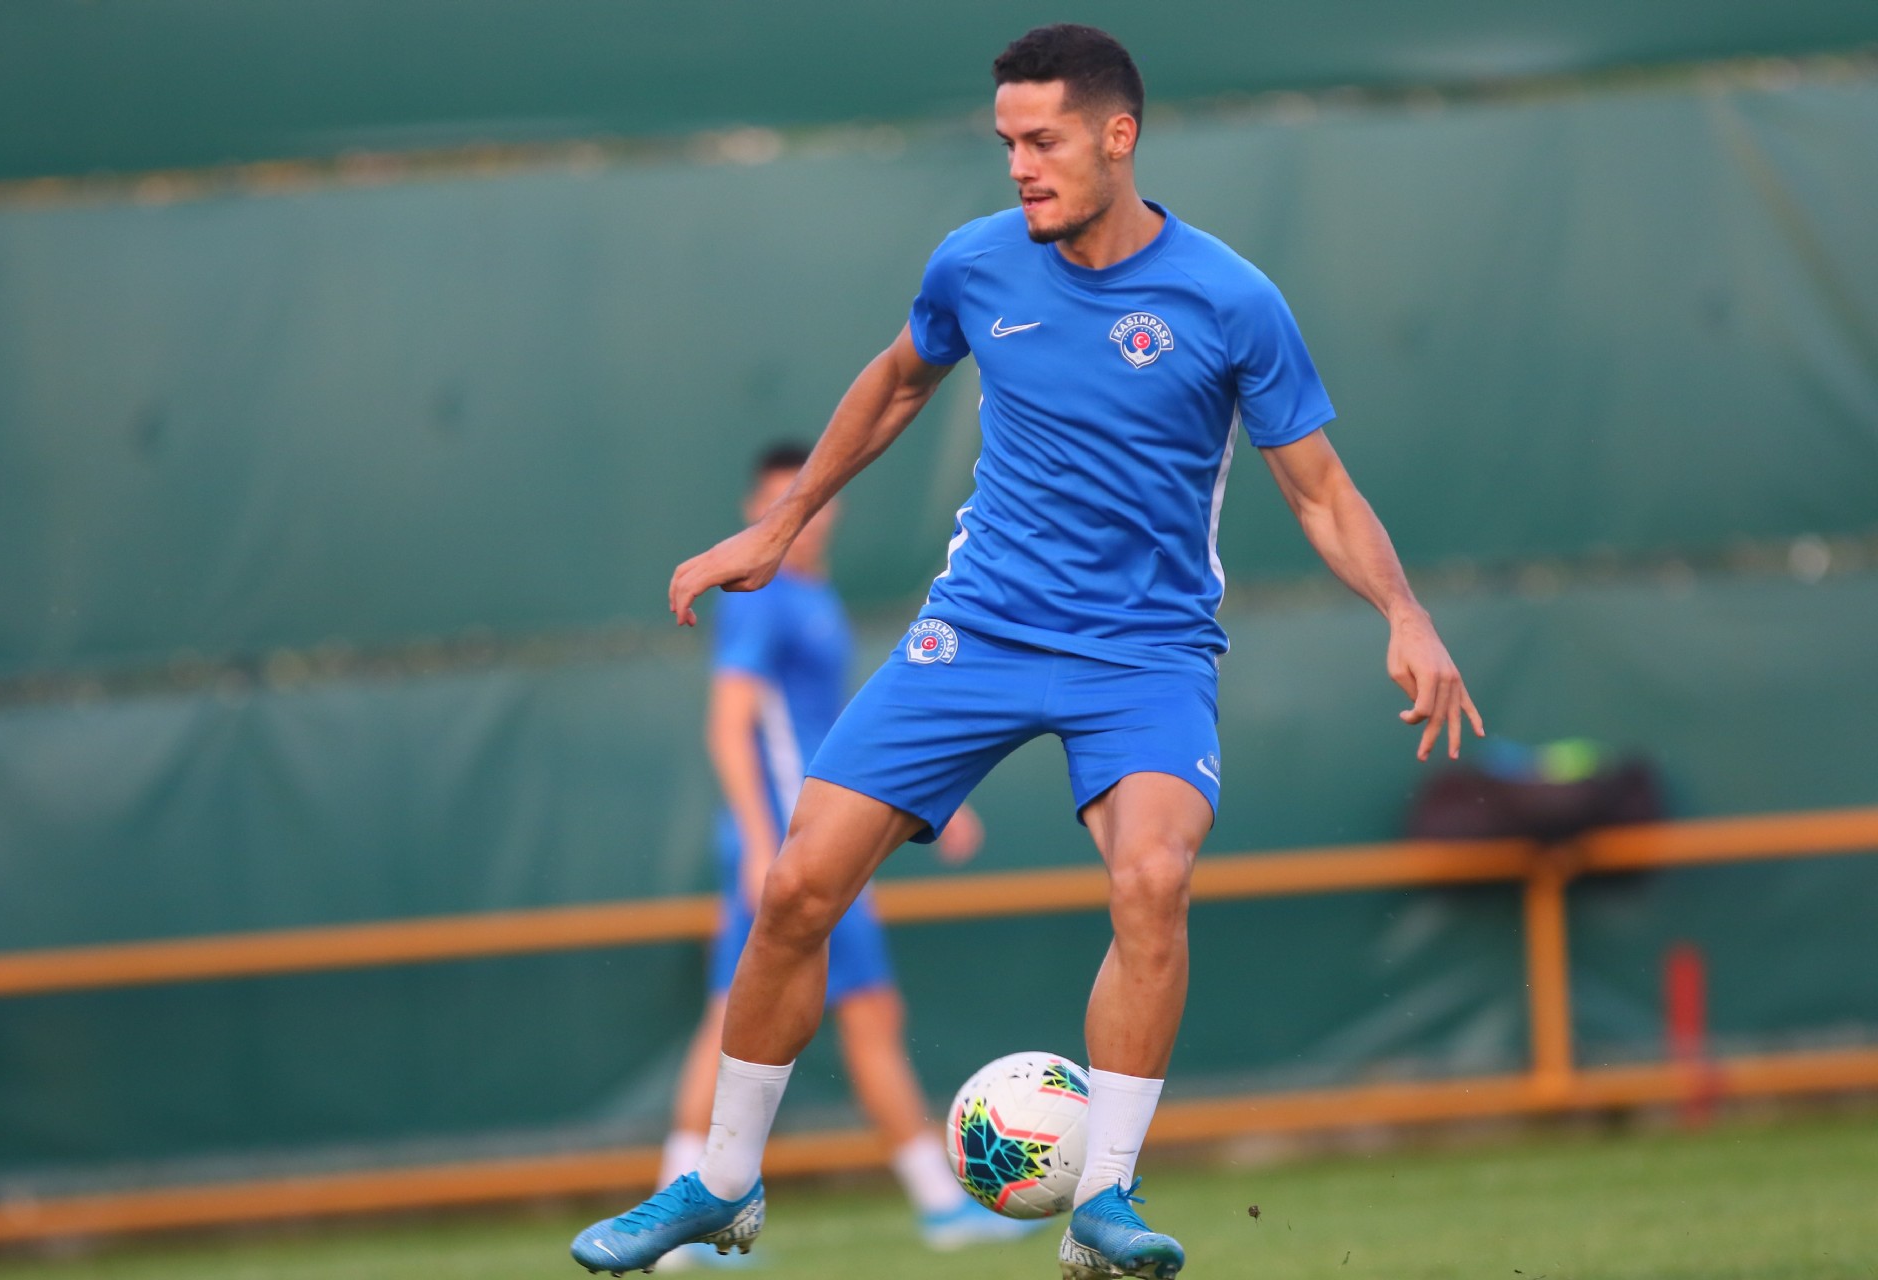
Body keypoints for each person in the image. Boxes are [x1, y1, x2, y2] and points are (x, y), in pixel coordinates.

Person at [575, 24, 1482, 1280]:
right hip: (980, 630)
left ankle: (1104, 1202)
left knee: (1153, 877)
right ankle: (723, 1184)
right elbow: (898, 381)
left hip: (1145, 652)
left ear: (1120, 135)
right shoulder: (976, 263)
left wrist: (1406, 613)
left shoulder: (1229, 299)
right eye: (1006, 141)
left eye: (1043, 140)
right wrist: (778, 524)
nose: (1019, 166)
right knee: (793, 889)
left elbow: (1319, 489)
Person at [653, 443, 1037, 1270]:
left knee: (851, 1015)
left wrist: (933, 797)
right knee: (756, 1019)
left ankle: (935, 1202)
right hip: (789, 851)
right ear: (754, 512)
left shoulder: (812, 597)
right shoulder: (761, 598)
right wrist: (763, 846)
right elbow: (730, 726)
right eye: (775, 502)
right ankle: (687, 1208)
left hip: (821, 841)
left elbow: (826, 735)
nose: (798, 517)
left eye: (808, 498)